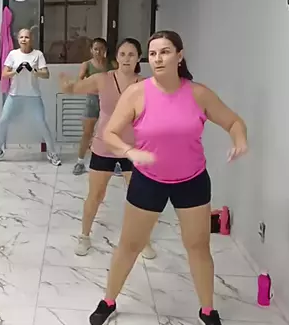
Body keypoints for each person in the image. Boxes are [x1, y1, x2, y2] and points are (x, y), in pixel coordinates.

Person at [88, 31, 248, 325]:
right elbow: (110, 133)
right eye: (153, 54)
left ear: (179, 55)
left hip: (192, 181)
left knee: (198, 246)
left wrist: (239, 140)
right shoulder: (137, 93)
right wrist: (129, 151)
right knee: (130, 245)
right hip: (148, 180)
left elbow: (234, 121)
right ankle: (108, 300)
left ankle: (208, 310)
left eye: (164, 52)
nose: (158, 59)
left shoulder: (198, 93)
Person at [60, 38, 156, 259]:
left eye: (131, 55)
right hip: (104, 146)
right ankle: (84, 236)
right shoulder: (102, 79)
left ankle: (143, 240)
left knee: (141, 197)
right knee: (96, 194)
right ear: (116, 57)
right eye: (122, 54)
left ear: (139, 58)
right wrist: (66, 85)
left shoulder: (146, 85)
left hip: (132, 148)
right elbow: (74, 88)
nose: (126, 59)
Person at [0, 28, 61, 166]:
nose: (24, 40)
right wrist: (16, 71)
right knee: (3, 121)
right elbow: (4, 74)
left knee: (42, 123)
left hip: (33, 96)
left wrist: (33, 70)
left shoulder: (38, 54)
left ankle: (52, 153)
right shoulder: (13, 54)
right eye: (21, 37)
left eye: (27, 37)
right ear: (18, 39)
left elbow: (46, 74)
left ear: (31, 39)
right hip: (15, 95)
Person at [73, 38, 109, 176]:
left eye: (101, 49)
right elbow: (79, 82)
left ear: (105, 50)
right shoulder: (86, 64)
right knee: (87, 133)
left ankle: (116, 163)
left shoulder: (111, 63)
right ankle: (80, 162)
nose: (98, 52)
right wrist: (92, 84)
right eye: (96, 49)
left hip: (108, 100)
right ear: (91, 50)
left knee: (111, 132)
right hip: (92, 100)